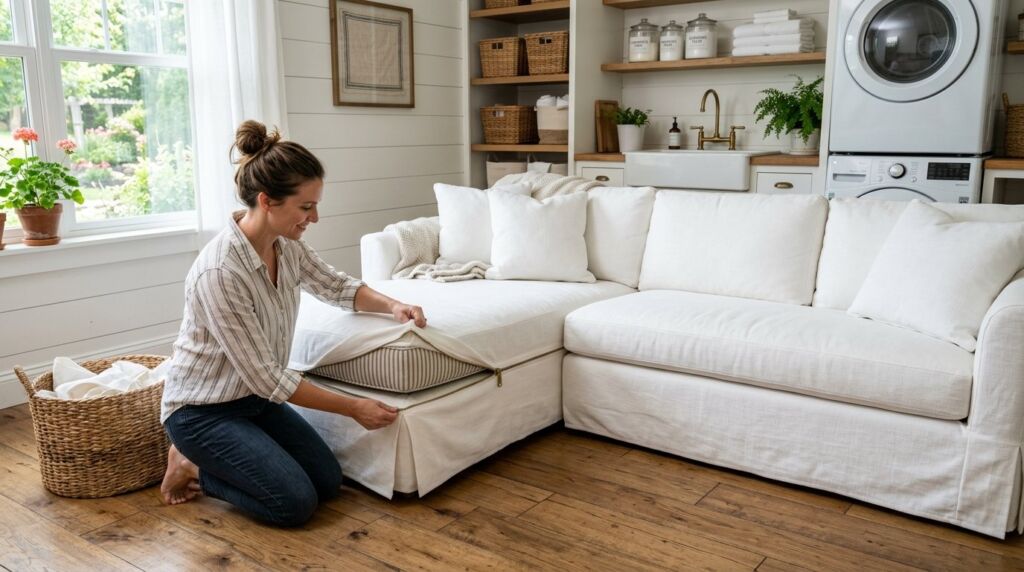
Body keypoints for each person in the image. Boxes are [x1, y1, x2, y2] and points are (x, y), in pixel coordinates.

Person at [158, 119, 426, 527]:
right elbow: (268, 378)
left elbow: (336, 286)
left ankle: (223, 459)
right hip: (202, 412)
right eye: (306, 207)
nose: (314, 217)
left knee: (328, 482)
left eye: (315, 205)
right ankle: (192, 466)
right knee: (293, 504)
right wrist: (355, 408)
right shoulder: (221, 272)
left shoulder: (286, 245)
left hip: (253, 402)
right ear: (267, 201)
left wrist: (394, 305)